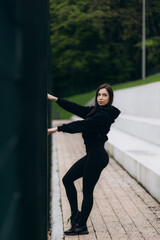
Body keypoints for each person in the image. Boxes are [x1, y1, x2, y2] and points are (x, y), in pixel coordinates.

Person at [47, 83, 121, 236]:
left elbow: (82, 125)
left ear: (110, 98)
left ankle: (81, 225)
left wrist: (57, 129)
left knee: (87, 191)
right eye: (99, 95)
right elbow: (75, 108)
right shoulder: (94, 111)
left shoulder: (103, 116)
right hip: (92, 155)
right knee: (67, 179)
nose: (100, 98)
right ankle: (75, 215)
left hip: (97, 156)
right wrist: (55, 99)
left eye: (104, 95)